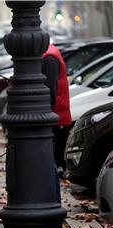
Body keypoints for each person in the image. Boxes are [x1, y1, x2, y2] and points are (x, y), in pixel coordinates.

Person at [42, 43, 72, 203]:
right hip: (54, 115)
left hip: (54, 117)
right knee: (48, 159)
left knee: (48, 160)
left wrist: (45, 117)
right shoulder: (48, 53)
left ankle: (54, 201)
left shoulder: (49, 58)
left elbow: (50, 91)